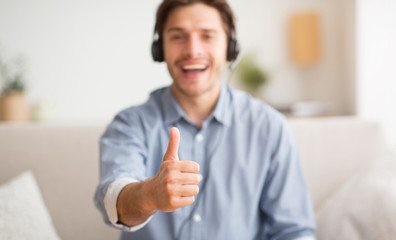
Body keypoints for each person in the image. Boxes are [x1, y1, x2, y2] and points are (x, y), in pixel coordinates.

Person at [94, 0, 316, 239]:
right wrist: (150, 194)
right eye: (178, 36)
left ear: (230, 48)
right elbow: (113, 200)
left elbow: (293, 231)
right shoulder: (130, 124)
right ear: (160, 49)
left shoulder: (269, 127)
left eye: (207, 36)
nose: (192, 50)